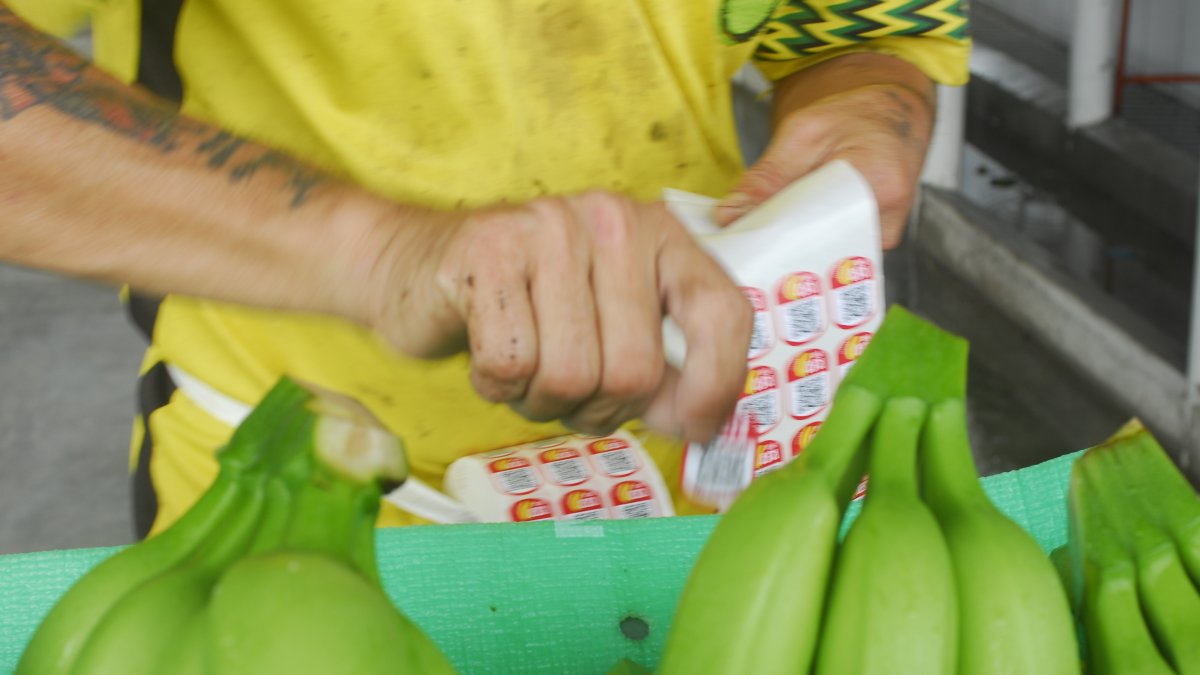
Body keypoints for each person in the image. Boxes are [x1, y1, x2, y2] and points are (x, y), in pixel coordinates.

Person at [0, 0, 970, 537]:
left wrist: (867, 110)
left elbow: (856, 31)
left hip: (697, 477)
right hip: (298, 495)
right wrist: (384, 253)